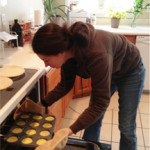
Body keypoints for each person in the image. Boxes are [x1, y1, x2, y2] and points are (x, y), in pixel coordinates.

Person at [32, 21, 145, 150]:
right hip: (109, 68)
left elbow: (100, 104)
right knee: (93, 119)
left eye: (46, 60)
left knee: (126, 126)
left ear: (60, 52)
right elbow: (65, 86)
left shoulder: (96, 53)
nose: (45, 65)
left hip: (131, 71)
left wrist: (68, 131)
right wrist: (42, 104)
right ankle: (89, 147)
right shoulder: (68, 54)